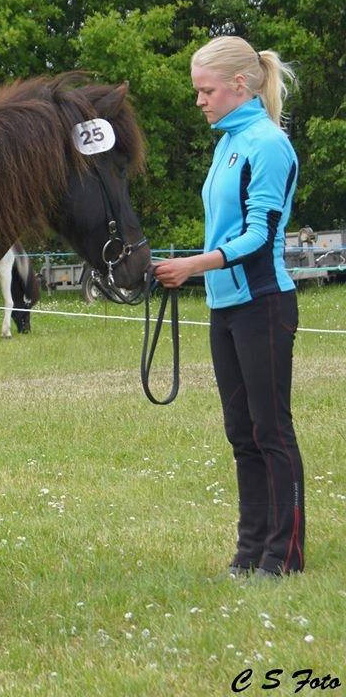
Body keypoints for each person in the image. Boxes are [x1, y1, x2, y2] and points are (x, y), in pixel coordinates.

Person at [154, 36, 303, 578]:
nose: (200, 100)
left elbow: (260, 237)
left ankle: (284, 555)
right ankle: (250, 551)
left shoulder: (267, 145)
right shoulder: (228, 143)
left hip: (264, 303)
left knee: (272, 431)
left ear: (239, 86)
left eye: (206, 89)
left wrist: (194, 266)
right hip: (227, 306)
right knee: (242, 433)